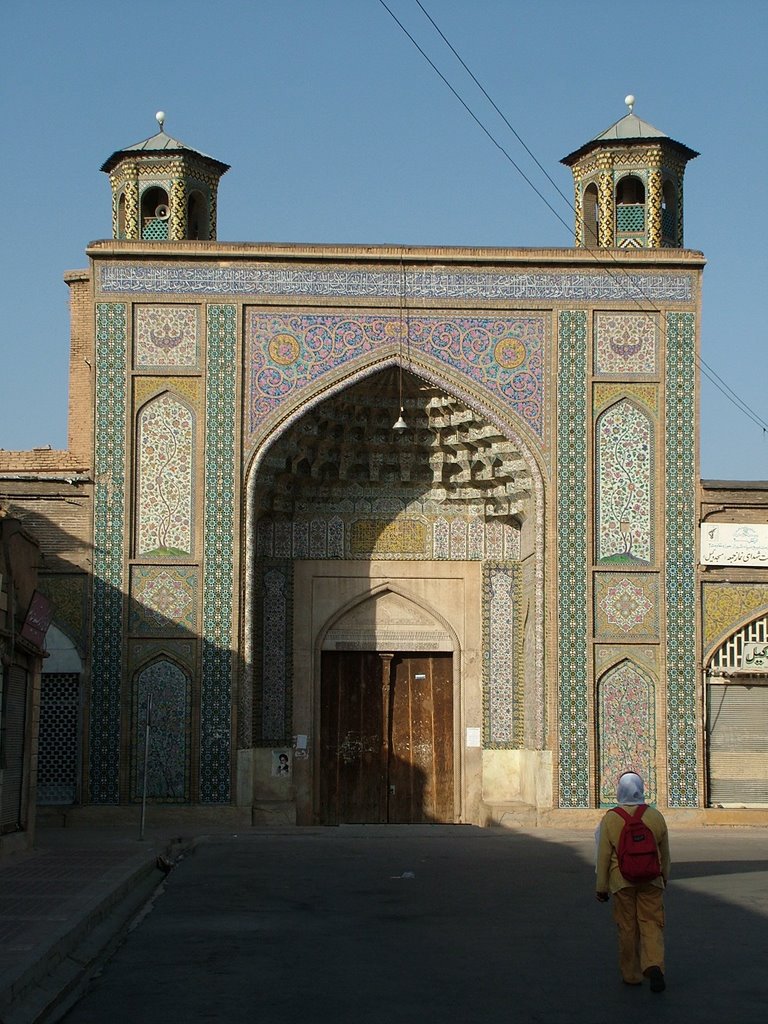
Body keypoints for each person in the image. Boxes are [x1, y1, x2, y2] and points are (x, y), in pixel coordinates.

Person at [595, 772, 670, 992]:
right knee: (652, 924)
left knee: (627, 927)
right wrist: (664, 876)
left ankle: (632, 974)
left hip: (622, 881)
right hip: (651, 879)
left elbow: (603, 855)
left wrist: (601, 887)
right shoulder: (655, 816)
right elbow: (664, 852)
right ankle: (654, 965)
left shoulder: (611, 818)